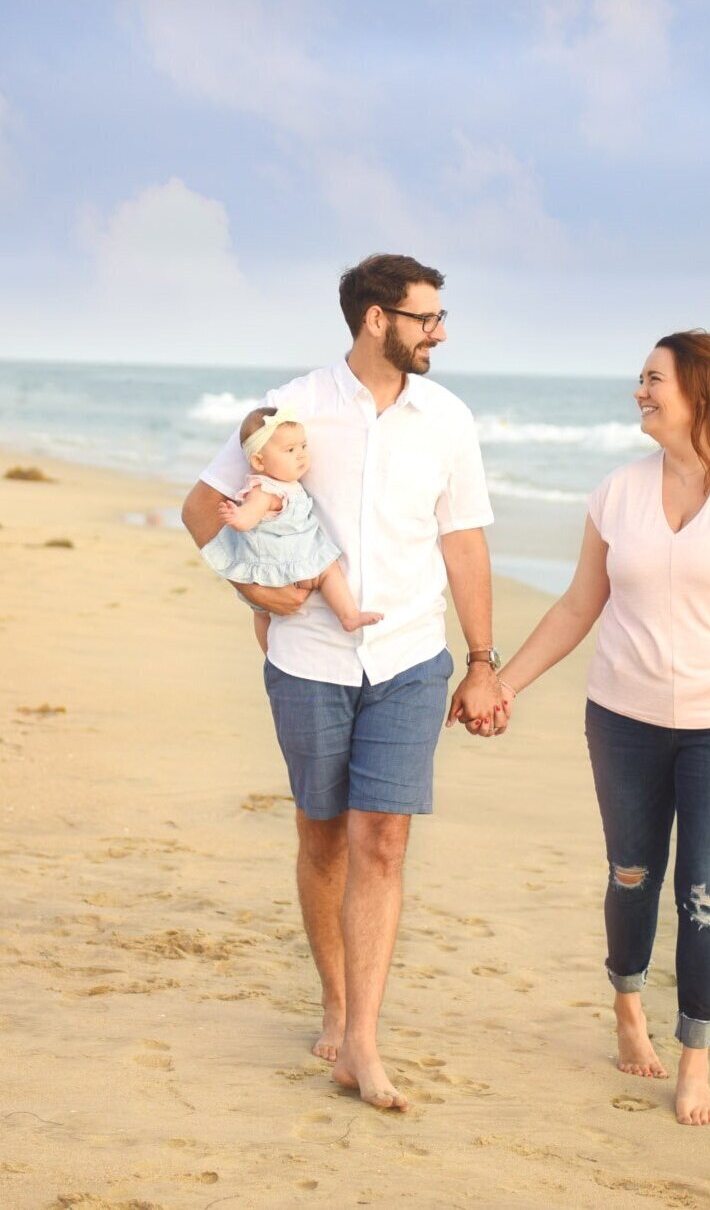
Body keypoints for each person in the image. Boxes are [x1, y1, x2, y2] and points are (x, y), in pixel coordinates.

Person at [181, 254, 507, 1111]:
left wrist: (480, 659)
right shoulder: (296, 406)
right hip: (308, 659)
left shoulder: (447, 417)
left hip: (407, 655)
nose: (440, 331)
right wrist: (251, 588)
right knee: (323, 837)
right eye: (425, 317)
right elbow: (200, 507)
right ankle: (332, 996)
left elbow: (464, 542)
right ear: (375, 319)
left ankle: (362, 1034)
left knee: (384, 842)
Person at [494, 330, 710, 1126]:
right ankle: (628, 1009)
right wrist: (502, 682)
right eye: (638, 379)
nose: (639, 391)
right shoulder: (617, 492)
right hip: (623, 717)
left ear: (699, 392)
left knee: (705, 896)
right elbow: (578, 604)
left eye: (653, 380)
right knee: (631, 873)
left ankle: (695, 1061)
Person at [201, 405, 383, 653]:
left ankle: (270, 652)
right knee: (328, 571)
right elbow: (252, 513)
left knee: (262, 615)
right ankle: (348, 615)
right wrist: (239, 517)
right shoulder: (265, 490)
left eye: (303, 447)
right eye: (290, 450)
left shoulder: (288, 485)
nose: (301, 455)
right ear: (258, 461)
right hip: (288, 564)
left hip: (276, 566)